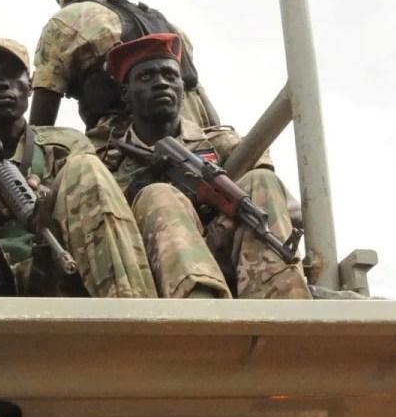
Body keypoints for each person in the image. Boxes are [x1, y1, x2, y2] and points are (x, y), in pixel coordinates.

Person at [93, 33, 310, 299]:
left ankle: (283, 305)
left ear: (183, 89)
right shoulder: (106, 164)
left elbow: (289, 211)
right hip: (148, 270)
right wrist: (134, 192)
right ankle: (201, 308)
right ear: (126, 93)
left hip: (225, 252)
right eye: (147, 77)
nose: (161, 83)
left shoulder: (222, 143)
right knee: (158, 195)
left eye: (170, 76)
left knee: (261, 180)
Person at [0, 38, 156, 298]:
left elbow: (101, 202)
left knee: (85, 168)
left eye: (13, 74)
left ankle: (134, 315)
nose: (2, 83)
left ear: (29, 86)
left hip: (56, 269)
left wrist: (48, 202)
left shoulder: (67, 144)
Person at [29, 0, 216, 131]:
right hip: (195, 139)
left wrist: (29, 157)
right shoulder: (170, 26)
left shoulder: (65, 20)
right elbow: (199, 95)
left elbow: (44, 108)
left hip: (125, 145)